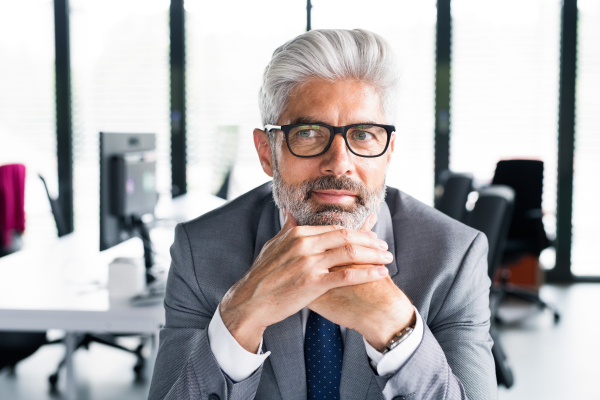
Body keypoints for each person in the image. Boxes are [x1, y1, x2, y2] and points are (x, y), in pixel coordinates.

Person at [149, 29, 496, 400]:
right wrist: (241, 314)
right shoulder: (199, 251)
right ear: (267, 152)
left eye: (363, 135)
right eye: (309, 133)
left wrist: (395, 324)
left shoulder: (455, 256)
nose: (339, 164)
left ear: (388, 152)